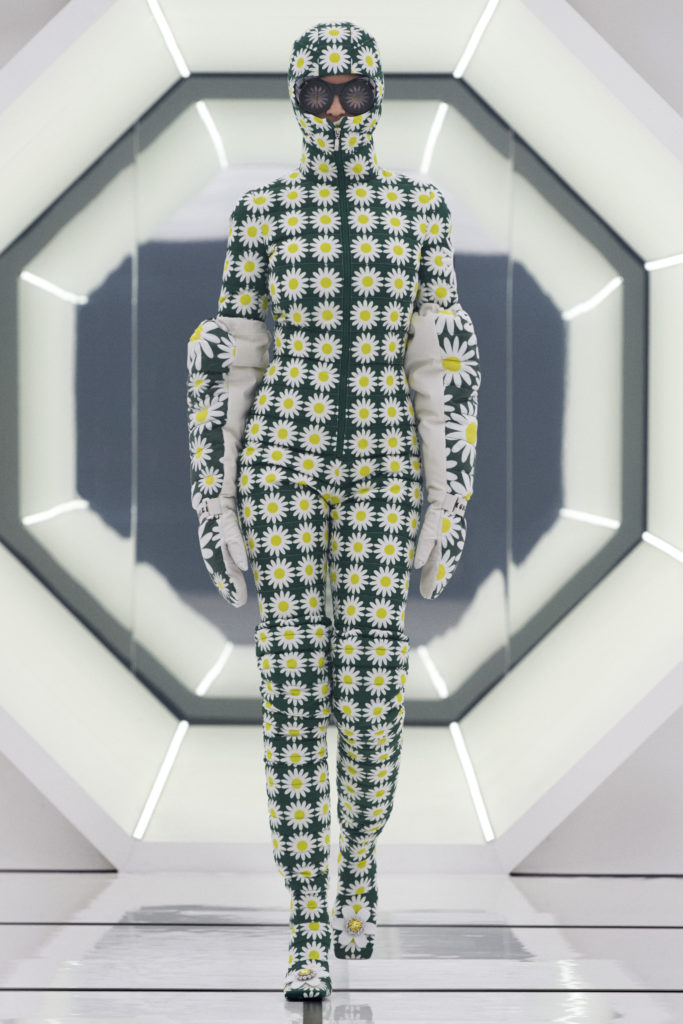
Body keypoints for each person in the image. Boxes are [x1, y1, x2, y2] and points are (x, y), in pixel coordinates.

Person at [185, 19, 481, 1002]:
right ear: (296, 99)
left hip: (386, 461)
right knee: (289, 690)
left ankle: (358, 850)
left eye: (355, 91)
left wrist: (447, 493)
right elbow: (232, 356)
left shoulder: (418, 210)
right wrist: (216, 496)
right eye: (320, 93)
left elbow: (439, 353)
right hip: (281, 455)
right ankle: (306, 915)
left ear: (379, 94)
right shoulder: (261, 213)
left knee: (368, 690)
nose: (339, 110)